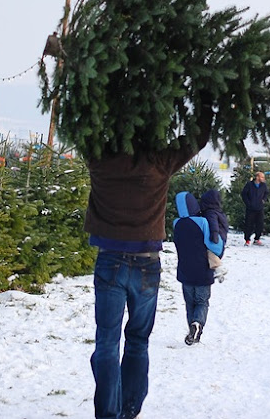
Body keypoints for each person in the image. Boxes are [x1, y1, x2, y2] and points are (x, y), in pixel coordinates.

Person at [86, 103, 213, 419]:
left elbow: (84, 119)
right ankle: (129, 409)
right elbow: (198, 137)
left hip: (109, 261)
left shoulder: (101, 158)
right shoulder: (160, 160)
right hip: (146, 264)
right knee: (138, 341)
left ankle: (108, 414)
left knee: (106, 343)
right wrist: (207, 98)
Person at [173, 191, 216, 345]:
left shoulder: (176, 223)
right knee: (202, 302)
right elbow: (210, 243)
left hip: (185, 270)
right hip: (202, 270)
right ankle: (197, 324)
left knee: (190, 302)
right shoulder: (202, 222)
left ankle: (192, 331)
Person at [200, 189, 229, 281]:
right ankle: (218, 271)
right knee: (211, 255)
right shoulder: (218, 211)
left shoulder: (210, 212)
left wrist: (214, 236)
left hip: (216, 237)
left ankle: (219, 268)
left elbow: (214, 225)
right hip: (222, 237)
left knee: (209, 253)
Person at [240, 171, 270, 246]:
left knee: (260, 224)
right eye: (262, 177)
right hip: (250, 208)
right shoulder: (249, 185)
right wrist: (248, 203)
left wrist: (263, 200)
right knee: (249, 224)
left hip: (260, 208)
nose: (263, 178)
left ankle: (257, 239)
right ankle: (247, 240)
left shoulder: (263, 185)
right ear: (257, 177)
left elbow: (266, 193)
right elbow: (244, 194)